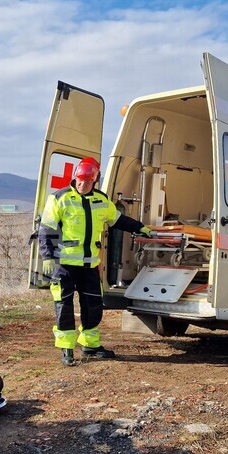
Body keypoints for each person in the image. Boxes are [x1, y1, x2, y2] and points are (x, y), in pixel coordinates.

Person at [38, 156, 152, 366]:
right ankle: (67, 350)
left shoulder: (101, 200)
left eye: (88, 182)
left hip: (89, 266)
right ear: (75, 178)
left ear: (94, 181)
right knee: (64, 307)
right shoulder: (59, 198)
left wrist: (140, 227)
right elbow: (46, 230)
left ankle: (90, 346)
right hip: (64, 266)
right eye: (80, 180)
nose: (83, 185)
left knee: (93, 306)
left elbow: (118, 220)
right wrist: (47, 256)